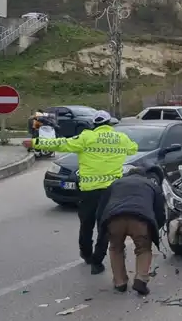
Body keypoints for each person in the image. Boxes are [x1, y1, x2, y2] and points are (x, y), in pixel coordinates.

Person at [23, 110, 138, 274]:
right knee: (105, 227)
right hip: (111, 192)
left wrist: (35, 142)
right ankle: (97, 262)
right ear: (109, 124)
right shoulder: (121, 138)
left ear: (94, 124)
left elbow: (61, 143)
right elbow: (133, 149)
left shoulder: (87, 137)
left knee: (86, 225)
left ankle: (86, 254)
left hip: (89, 191)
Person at [96, 166, 166, 295]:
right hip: (140, 220)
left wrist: (102, 228)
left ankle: (120, 282)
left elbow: (101, 209)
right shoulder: (151, 185)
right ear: (144, 176)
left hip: (114, 218)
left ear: (127, 175)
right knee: (143, 249)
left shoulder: (115, 184)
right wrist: (155, 228)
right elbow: (160, 212)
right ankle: (141, 279)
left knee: (115, 248)